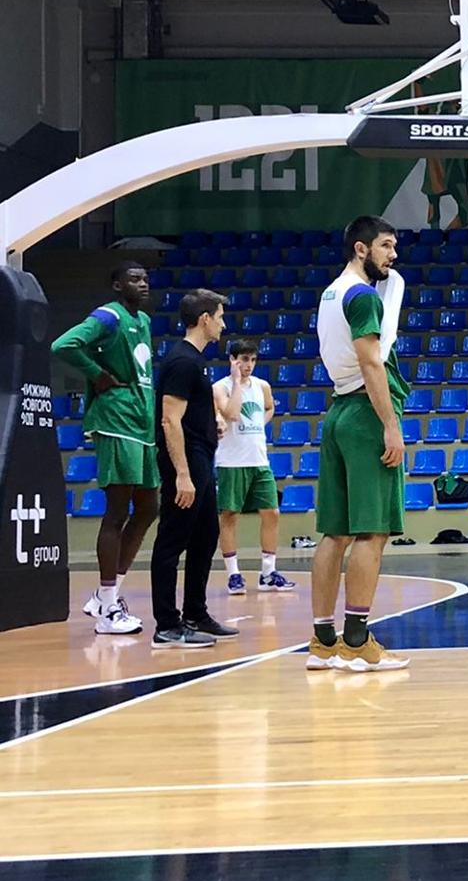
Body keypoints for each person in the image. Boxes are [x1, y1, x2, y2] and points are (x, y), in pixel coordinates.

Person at [310, 216, 411, 673]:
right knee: (373, 531)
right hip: (365, 413)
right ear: (360, 248)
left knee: (336, 532)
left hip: (336, 412)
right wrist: (390, 424)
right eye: (386, 246)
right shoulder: (363, 295)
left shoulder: (331, 292)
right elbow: (372, 363)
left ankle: (322, 640)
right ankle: (356, 640)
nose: (393, 255)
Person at [52, 262, 160, 636]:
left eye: (145, 278)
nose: (142, 283)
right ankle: (108, 608)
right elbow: (64, 344)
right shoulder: (107, 316)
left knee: (149, 507)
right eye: (133, 278)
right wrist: (95, 374)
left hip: (140, 423)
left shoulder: (143, 321)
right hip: (116, 421)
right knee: (117, 510)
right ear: (117, 285)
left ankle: (104, 595)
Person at [151, 288, 236, 649]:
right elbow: (170, 421)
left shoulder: (196, 360)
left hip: (201, 455)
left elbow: (186, 416)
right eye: (219, 316)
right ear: (204, 319)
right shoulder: (183, 361)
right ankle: (167, 625)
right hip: (186, 462)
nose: (223, 323)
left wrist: (209, 423)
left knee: (205, 538)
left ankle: (195, 613)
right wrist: (182, 474)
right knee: (173, 539)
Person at [213, 339, 295, 595]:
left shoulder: (263, 386)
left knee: (272, 513)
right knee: (229, 516)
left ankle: (268, 573)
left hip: (259, 459)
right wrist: (237, 381)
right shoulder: (220, 387)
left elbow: (269, 408)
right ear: (232, 360)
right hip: (231, 462)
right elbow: (232, 414)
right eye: (243, 359)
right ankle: (234, 574)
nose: (248, 365)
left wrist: (261, 422)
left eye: (252, 360)